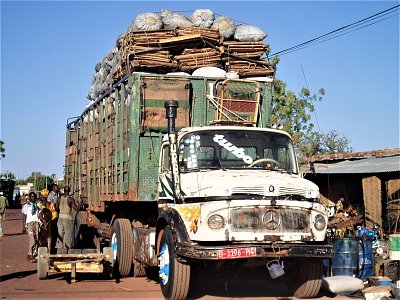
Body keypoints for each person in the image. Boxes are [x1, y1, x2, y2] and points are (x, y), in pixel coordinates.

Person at [56, 186, 77, 252]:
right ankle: (68, 250)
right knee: (68, 235)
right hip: (67, 218)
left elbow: (56, 207)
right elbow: (76, 208)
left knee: (60, 234)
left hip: (60, 218)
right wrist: (81, 203)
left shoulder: (59, 198)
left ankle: (59, 250)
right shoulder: (70, 199)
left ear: (64, 191)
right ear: (69, 191)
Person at [22, 192, 41, 261]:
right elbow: (24, 216)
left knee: (37, 238)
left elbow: (40, 214)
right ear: (29, 197)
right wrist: (24, 227)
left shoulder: (38, 205)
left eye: (34, 196)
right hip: (30, 224)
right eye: (32, 196)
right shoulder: (26, 206)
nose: (33, 198)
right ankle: (30, 253)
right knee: (32, 239)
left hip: (37, 223)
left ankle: (35, 253)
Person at [47, 184, 60, 254]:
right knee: (53, 232)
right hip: (53, 216)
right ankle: (51, 249)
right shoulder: (51, 195)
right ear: (54, 188)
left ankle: (54, 248)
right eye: (57, 187)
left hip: (56, 214)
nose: (58, 188)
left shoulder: (58, 194)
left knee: (55, 232)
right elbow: (49, 204)